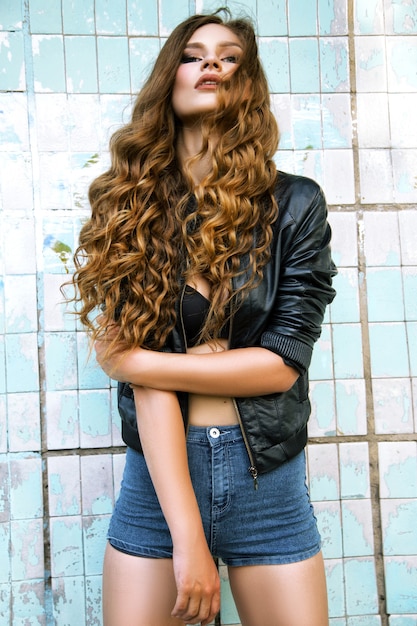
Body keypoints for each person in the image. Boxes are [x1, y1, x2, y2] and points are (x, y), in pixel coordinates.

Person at [70, 8, 336, 626]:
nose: (212, 62)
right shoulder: (131, 205)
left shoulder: (296, 203)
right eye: (194, 54)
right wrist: (187, 537)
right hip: (157, 482)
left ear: (249, 84)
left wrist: (147, 361)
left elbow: (279, 367)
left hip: (267, 477)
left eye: (230, 56)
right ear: (171, 76)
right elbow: (149, 385)